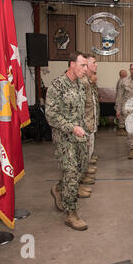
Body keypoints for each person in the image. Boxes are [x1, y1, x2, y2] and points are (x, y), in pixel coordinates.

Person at [46, 51, 89, 231]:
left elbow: (80, 110)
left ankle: (59, 189)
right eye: (83, 65)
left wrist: (82, 128)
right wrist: (71, 127)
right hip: (64, 138)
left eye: (87, 66)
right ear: (72, 64)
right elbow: (51, 115)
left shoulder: (80, 84)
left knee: (80, 169)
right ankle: (71, 213)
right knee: (71, 172)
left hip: (79, 136)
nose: (86, 69)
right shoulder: (57, 85)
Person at [78, 54, 100, 190]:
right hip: (83, 126)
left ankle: (82, 177)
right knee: (80, 158)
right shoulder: (82, 81)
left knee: (86, 155)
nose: (96, 65)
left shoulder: (88, 81)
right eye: (94, 62)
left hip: (89, 125)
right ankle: (77, 185)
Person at [116, 69, 128, 136]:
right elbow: (120, 94)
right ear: (122, 74)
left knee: (123, 116)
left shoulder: (121, 81)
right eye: (125, 73)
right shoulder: (122, 82)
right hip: (121, 101)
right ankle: (121, 130)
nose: (127, 75)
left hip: (123, 101)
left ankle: (122, 129)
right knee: (121, 116)